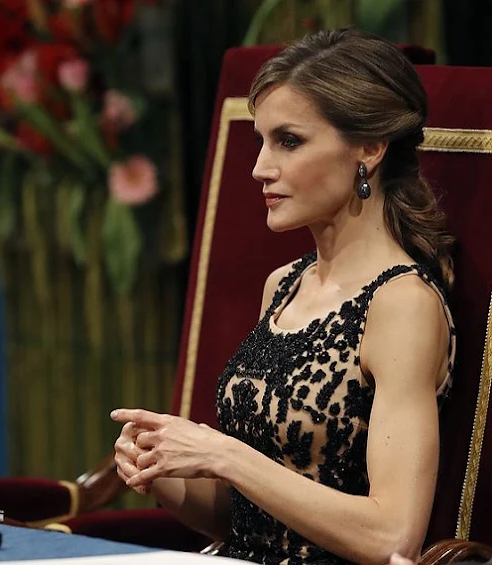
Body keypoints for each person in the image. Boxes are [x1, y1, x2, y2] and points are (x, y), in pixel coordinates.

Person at [112, 28, 456, 565]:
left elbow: (393, 538)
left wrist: (222, 454)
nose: (259, 169)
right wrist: (163, 470)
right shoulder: (284, 284)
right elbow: (248, 519)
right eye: (261, 143)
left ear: (368, 148)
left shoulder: (402, 304)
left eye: (289, 141)